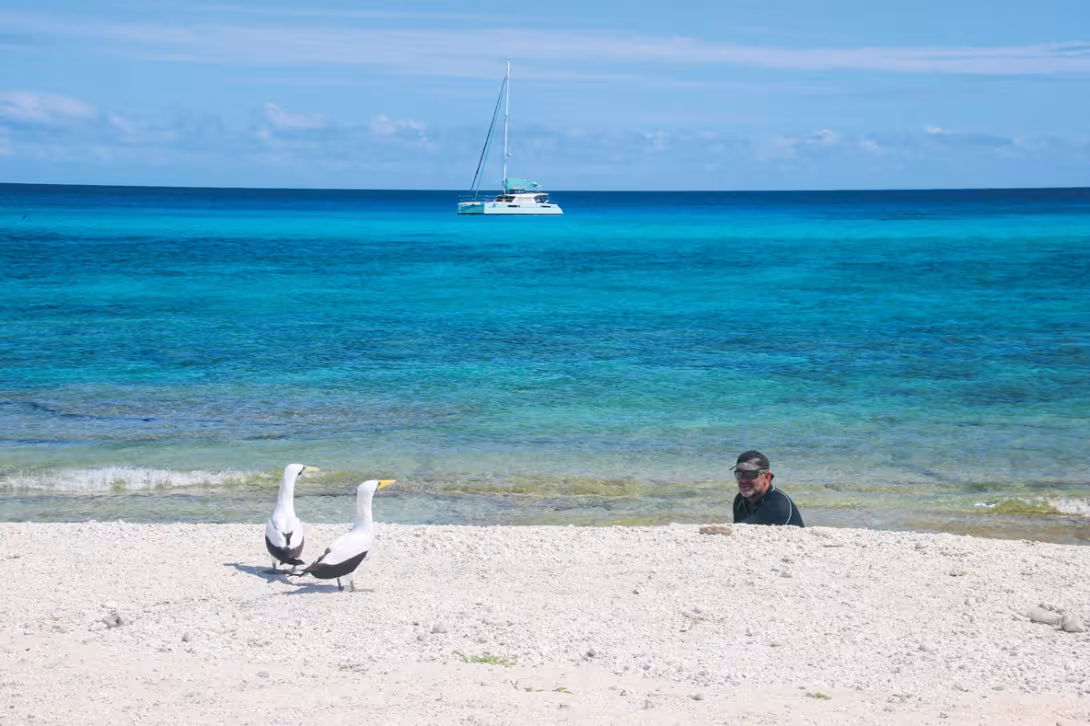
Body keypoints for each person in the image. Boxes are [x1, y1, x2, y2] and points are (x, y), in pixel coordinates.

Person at [732, 450, 804, 527]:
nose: (743, 479)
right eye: (739, 474)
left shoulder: (778, 505)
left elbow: (746, 529)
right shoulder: (740, 500)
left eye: (750, 474)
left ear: (767, 476)